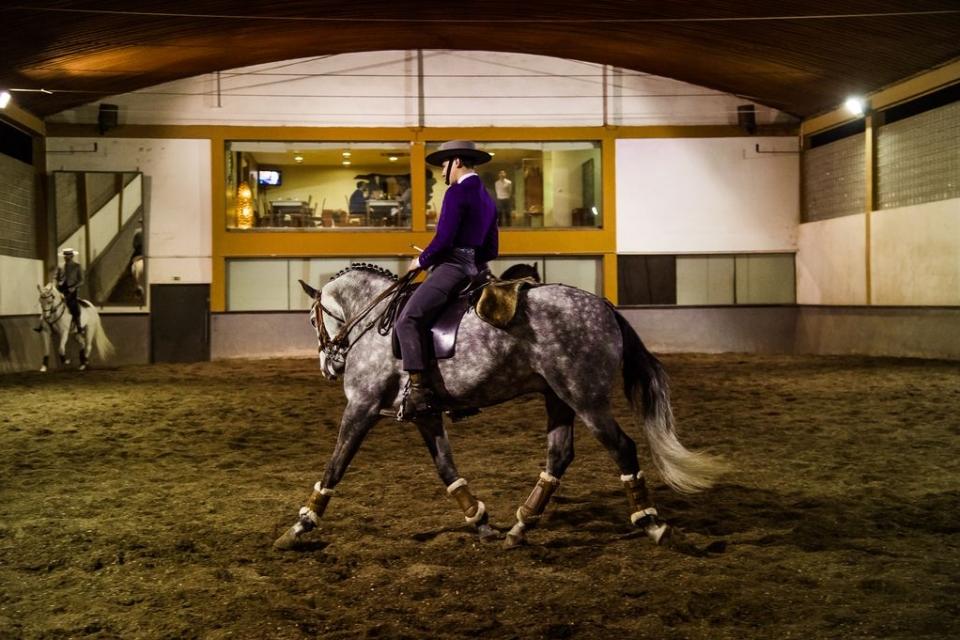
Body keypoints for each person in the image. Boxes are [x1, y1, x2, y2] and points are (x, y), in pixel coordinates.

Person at [395, 140, 498, 419]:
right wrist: (470, 265)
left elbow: (443, 240)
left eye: (443, 166)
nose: (442, 173)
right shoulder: (487, 197)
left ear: (457, 162)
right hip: (474, 269)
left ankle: (417, 392)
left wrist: (422, 260)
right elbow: (492, 249)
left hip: (451, 267)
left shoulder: (456, 193)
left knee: (409, 319)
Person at [56, 248, 85, 334]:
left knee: (73, 305)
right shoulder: (61, 267)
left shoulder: (77, 266)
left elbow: (82, 280)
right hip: (61, 288)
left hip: (72, 289)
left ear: (71, 256)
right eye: (65, 255)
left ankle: (78, 324)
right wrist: (58, 282)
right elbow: (57, 277)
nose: (66, 257)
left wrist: (74, 287)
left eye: (68, 255)